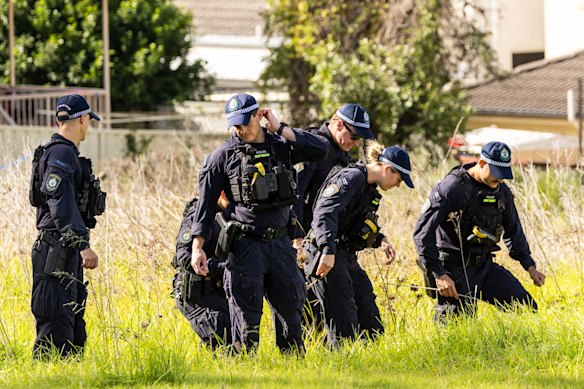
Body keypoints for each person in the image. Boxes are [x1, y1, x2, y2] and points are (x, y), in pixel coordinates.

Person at [190, 93, 328, 353]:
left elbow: (320, 149)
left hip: (280, 244)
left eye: (245, 122)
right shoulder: (222, 156)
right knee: (246, 318)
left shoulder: (281, 145)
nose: (240, 129)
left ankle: (292, 370)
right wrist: (197, 247)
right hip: (245, 247)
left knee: (291, 309)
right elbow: (205, 206)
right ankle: (245, 371)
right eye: (235, 125)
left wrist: (280, 128)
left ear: (258, 115)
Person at [413, 141, 546, 322]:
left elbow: (514, 230)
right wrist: (439, 274)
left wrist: (529, 266)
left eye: (503, 175)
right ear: (481, 163)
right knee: (458, 330)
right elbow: (422, 233)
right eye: (496, 173)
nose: (499, 180)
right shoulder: (452, 187)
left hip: (484, 265)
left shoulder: (502, 191)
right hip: (454, 270)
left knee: (526, 308)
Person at [303, 142, 414, 345]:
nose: (398, 185)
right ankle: (340, 368)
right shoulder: (352, 178)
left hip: (344, 255)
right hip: (326, 253)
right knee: (343, 321)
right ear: (388, 169)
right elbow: (324, 212)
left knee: (370, 321)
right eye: (398, 179)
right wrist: (327, 249)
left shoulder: (369, 188)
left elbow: (355, 222)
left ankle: (367, 368)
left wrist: (380, 240)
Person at [29, 94, 106, 358]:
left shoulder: (63, 152)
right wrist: (82, 245)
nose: (88, 126)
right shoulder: (61, 152)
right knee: (55, 322)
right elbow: (59, 202)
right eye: (88, 120)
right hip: (56, 249)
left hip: (62, 249)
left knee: (70, 321)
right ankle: (46, 379)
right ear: (83, 118)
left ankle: (69, 377)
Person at [292, 104, 374, 333]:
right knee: (307, 305)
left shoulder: (343, 157)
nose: (356, 143)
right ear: (338, 124)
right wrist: (297, 238)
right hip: (301, 240)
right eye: (354, 136)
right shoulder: (314, 147)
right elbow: (296, 195)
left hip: (322, 240)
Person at [172, 194, 231, 349]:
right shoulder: (199, 213)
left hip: (219, 292)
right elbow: (184, 257)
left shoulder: (234, 214)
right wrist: (224, 267)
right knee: (225, 337)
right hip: (196, 293)